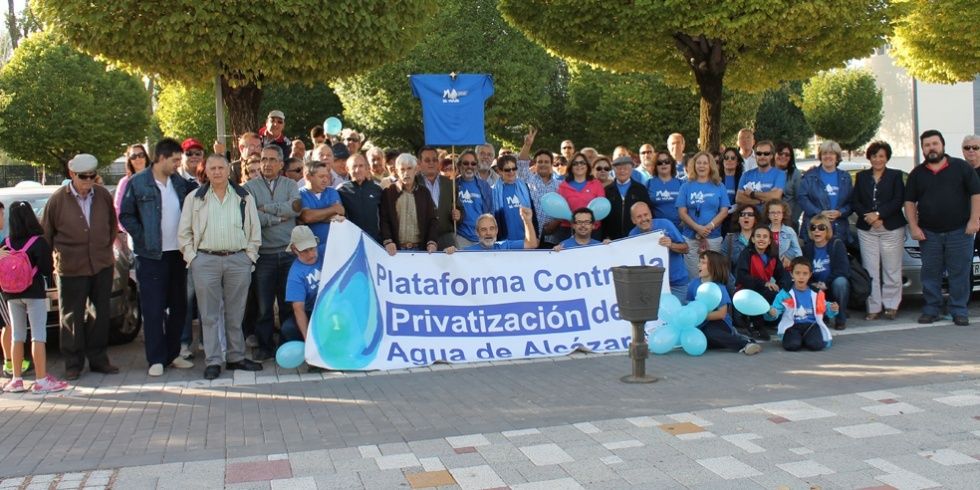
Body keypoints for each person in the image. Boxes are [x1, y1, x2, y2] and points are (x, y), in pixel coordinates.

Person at [177, 154, 263, 380]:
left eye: (221, 168)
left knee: (236, 313)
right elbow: (184, 232)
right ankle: (213, 360)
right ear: (206, 171)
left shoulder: (244, 196)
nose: (216, 172)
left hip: (238, 259)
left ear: (228, 170)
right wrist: (193, 258)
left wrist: (249, 256)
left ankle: (236, 357)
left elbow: (254, 230)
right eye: (212, 168)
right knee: (209, 315)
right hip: (205, 260)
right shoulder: (194, 198)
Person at [119, 137, 196, 376]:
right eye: (175, 160)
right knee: (153, 308)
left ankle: (173, 354)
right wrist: (142, 237)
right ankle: (156, 358)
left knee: (179, 307)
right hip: (151, 255)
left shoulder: (180, 183)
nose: (178, 164)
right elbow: (125, 215)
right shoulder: (138, 183)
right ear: (161, 158)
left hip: (178, 254)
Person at [41, 154, 120, 381]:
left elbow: (112, 225)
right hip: (71, 266)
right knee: (71, 316)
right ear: (72, 174)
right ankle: (73, 363)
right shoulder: (57, 200)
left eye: (91, 176)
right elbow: (47, 233)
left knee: (100, 313)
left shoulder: (102, 195)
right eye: (83, 176)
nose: (88, 181)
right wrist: (51, 261)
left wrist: (103, 249)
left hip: (101, 264)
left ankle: (98, 359)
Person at [904, 129, 980, 326]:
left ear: (943, 145)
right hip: (929, 233)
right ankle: (932, 309)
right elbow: (909, 202)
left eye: (935, 144)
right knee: (930, 274)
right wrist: (914, 227)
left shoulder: (961, 167)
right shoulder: (917, 174)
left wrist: (974, 220)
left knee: (959, 273)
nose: (931, 148)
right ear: (922, 149)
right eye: (927, 145)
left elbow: (976, 194)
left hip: (960, 231)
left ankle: (959, 310)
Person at [2, 202, 68, 393]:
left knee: (17, 336)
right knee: (38, 335)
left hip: (11, 294)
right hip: (34, 293)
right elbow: (47, 270)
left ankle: (16, 379)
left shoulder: (6, 242)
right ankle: (41, 380)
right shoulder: (38, 242)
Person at [243, 145, 301, 362]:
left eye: (271, 159)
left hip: (288, 253)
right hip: (263, 255)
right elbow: (251, 217)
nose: (266, 164)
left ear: (281, 163)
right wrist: (278, 217)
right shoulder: (249, 187)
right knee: (264, 306)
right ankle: (265, 346)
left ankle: (287, 343)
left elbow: (295, 208)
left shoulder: (291, 184)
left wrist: (266, 208)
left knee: (287, 304)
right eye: (263, 159)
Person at [852, 141, 906, 321]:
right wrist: (868, 216)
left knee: (892, 268)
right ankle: (873, 307)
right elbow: (855, 201)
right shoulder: (861, 176)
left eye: (881, 156)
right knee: (870, 270)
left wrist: (879, 215)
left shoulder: (895, 175)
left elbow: (898, 199)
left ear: (887, 158)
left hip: (891, 227)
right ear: (869, 157)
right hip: (867, 229)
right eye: (874, 156)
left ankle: (891, 305)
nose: (877, 159)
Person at [686, 251, 761, 355]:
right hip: (699, 324)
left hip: (718, 323)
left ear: (714, 267)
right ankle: (733, 337)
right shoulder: (693, 283)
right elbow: (690, 305)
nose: (699, 265)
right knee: (704, 338)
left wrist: (700, 316)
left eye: (703, 262)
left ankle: (745, 344)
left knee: (710, 333)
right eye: (699, 262)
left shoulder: (719, 288)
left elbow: (721, 314)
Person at [765, 257, 838, 351]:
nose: (801, 277)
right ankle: (799, 339)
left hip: (811, 325)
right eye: (797, 273)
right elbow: (776, 309)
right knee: (792, 345)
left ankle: (805, 339)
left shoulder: (816, 293)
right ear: (791, 274)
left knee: (816, 345)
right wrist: (772, 312)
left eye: (805, 273)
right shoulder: (785, 293)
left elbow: (824, 307)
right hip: (792, 326)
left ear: (810, 274)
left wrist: (832, 308)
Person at [677, 151, 730, 279]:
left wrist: (709, 227)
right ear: (694, 165)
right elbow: (682, 212)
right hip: (691, 238)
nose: (701, 166)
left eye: (705, 163)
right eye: (699, 163)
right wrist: (697, 228)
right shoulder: (686, 186)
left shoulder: (719, 186)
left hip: (713, 237)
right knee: (694, 276)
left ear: (710, 165)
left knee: (712, 275)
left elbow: (724, 211)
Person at [278, 226, 324, 372]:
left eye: (313, 248)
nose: (312, 254)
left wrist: (341, 223)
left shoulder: (325, 250)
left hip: (332, 306)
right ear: (294, 249)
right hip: (312, 312)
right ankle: (310, 352)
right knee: (289, 328)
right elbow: (298, 309)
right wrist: (308, 342)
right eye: (305, 251)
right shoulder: (295, 274)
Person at [735, 225, 790, 341]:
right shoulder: (746, 253)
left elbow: (782, 275)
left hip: (764, 290)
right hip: (746, 291)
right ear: (753, 239)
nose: (761, 239)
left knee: (779, 294)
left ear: (769, 241)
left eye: (765, 237)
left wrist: (781, 288)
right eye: (758, 236)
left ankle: (770, 321)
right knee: (765, 294)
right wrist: (764, 283)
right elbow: (742, 276)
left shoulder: (772, 256)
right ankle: (756, 326)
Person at [380, 154, 439, 255]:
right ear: (397, 171)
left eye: (409, 168)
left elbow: (432, 220)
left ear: (416, 170)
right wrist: (388, 241)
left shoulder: (424, 192)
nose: (406, 173)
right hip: (396, 250)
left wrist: (432, 241)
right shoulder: (389, 192)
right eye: (402, 169)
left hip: (421, 249)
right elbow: (384, 220)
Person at [629, 202, 688, 301]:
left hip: (676, 284)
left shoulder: (665, 224)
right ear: (633, 220)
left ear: (651, 214)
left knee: (679, 310)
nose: (643, 219)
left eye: (646, 214)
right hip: (652, 287)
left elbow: (686, 248)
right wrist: (609, 246)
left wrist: (671, 245)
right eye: (639, 217)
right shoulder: (632, 235)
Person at [798, 140, 853, 245]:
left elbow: (852, 202)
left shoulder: (845, 177)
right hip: (815, 229)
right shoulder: (810, 176)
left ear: (837, 156)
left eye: (831, 153)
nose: (828, 156)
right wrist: (819, 213)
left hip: (839, 229)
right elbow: (802, 198)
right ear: (820, 156)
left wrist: (840, 212)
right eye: (824, 153)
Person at [802, 215, 850, 330]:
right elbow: (805, 271)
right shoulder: (807, 248)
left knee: (841, 282)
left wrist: (826, 283)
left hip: (832, 285)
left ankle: (840, 318)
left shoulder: (836, 244)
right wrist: (813, 283)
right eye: (813, 227)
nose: (817, 230)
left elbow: (843, 269)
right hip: (816, 287)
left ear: (827, 230)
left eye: (821, 227)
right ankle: (822, 315)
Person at [417, 146, 459, 250]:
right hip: (422, 239)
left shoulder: (449, 183)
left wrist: (459, 214)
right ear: (419, 163)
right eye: (427, 160)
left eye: (434, 160)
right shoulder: (414, 183)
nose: (431, 163)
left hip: (446, 239)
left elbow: (459, 207)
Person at [557, 152, 605, 242]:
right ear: (571, 167)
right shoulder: (563, 186)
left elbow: (602, 207)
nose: (579, 165)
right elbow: (559, 210)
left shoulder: (596, 184)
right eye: (575, 163)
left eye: (582, 163)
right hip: (568, 230)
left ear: (587, 166)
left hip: (593, 230)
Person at [298, 161, 344, 250]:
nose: (325, 180)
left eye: (327, 176)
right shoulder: (299, 194)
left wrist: (315, 216)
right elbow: (307, 217)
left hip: (334, 247)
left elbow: (340, 215)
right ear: (308, 177)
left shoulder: (332, 192)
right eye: (321, 176)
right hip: (310, 250)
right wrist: (333, 209)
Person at [338, 154, 383, 243]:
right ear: (347, 169)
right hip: (351, 241)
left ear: (367, 168)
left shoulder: (377, 189)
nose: (358, 170)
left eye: (361, 166)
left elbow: (384, 217)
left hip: (375, 241)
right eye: (354, 166)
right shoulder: (341, 190)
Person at [454, 150, 493, 249]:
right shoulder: (452, 185)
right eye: (466, 163)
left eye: (473, 163)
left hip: (481, 237)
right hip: (461, 236)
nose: (469, 166)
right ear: (459, 165)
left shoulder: (484, 186)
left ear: (477, 166)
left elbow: (490, 213)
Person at [525, 150, 562, 248]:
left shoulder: (560, 185)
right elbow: (521, 164)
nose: (543, 164)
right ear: (535, 164)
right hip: (529, 234)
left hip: (551, 236)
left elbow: (564, 208)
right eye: (540, 162)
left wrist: (555, 223)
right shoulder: (527, 180)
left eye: (546, 162)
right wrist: (527, 146)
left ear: (551, 164)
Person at [736, 140, 786, 210]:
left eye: (766, 153)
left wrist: (752, 194)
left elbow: (775, 196)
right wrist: (759, 201)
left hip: (770, 216)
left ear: (771, 156)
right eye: (759, 153)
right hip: (751, 216)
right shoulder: (746, 175)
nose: (762, 156)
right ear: (755, 156)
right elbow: (739, 198)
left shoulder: (779, 174)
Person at [458, 209, 538, 251]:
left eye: (492, 228)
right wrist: (452, 252)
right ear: (477, 232)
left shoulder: (505, 246)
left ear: (496, 230)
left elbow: (532, 244)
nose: (488, 233)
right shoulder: (467, 252)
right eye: (483, 229)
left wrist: (527, 220)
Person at [113, 144, 150, 227]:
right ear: (130, 160)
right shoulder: (125, 182)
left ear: (146, 157)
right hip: (135, 231)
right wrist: (129, 230)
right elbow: (118, 209)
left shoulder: (157, 178)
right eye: (133, 156)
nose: (138, 159)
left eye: (141, 155)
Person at [646, 150, 683, 230]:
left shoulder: (681, 183)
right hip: (656, 229)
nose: (663, 164)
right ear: (655, 166)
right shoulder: (649, 184)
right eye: (659, 162)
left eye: (667, 161)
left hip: (679, 228)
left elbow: (689, 205)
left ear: (672, 164)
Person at [721, 204, 760, 279]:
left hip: (759, 284)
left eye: (750, 214)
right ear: (738, 219)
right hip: (736, 283)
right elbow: (723, 267)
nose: (746, 217)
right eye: (742, 214)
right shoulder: (729, 239)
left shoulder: (762, 238)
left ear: (755, 220)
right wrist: (733, 284)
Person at [764, 199, 802, 269]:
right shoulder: (763, 230)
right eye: (772, 212)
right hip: (766, 267)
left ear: (783, 214)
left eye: (779, 212)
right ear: (768, 214)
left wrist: (788, 256)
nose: (775, 215)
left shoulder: (789, 231)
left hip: (784, 267)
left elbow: (798, 252)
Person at [774, 142, 803, 231]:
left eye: (787, 155)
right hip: (768, 221)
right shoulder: (767, 173)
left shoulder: (796, 174)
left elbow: (800, 200)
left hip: (789, 222)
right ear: (774, 154)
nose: (783, 156)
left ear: (790, 158)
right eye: (780, 153)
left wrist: (793, 220)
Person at [961, 135, 980, 257]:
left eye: (975, 147)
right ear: (963, 151)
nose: (971, 150)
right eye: (967, 148)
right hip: (962, 227)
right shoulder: (957, 171)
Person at [720, 148, 744, 231]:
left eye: (733, 158)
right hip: (718, 218)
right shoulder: (715, 179)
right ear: (722, 161)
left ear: (738, 162)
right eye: (726, 158)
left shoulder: (743, 179)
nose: (729, 160)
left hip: (736, 219)